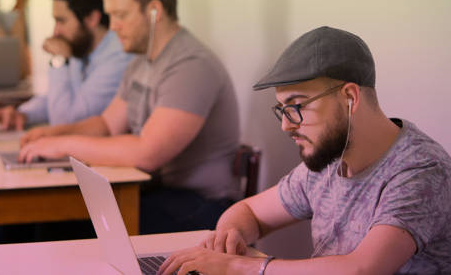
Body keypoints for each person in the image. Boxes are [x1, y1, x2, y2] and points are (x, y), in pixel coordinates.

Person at [158, 26, 451, 275]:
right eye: (282, 110)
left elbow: (362, 269)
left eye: (296, 106)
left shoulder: (422, 172)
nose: (286, 126)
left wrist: (240, 266)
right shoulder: (329, 160)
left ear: (350, 97)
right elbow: (247, 211)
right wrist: (229, 236)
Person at [18, 0, 241, 234]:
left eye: (121, 15)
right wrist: (52, 135)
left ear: (154, 11)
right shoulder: (140, 61)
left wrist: (63, 145)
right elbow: (107, 125)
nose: (112, 27)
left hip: (202, 206)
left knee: (60, 226)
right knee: (41, 221)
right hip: (155, 193)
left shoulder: (191, 65)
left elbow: (146, 153)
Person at [0, 0, 132, 130]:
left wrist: (60, 60)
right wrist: (22, 113)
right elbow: (57, 100)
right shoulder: (82, 46)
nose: (55, 31)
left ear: (91, 19)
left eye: (61, 21)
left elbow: (65, 122)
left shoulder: (119, 57)